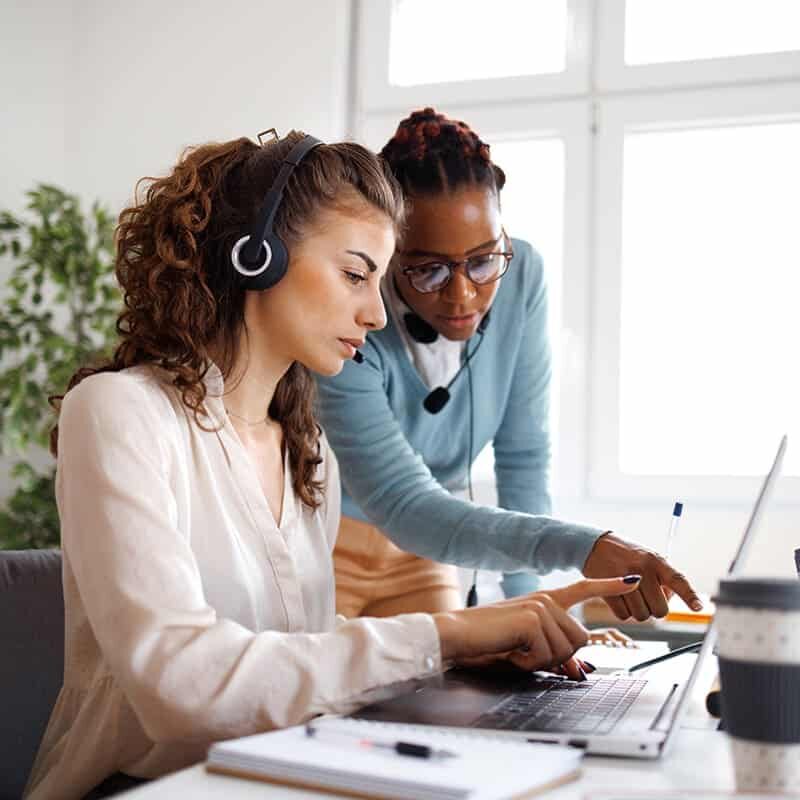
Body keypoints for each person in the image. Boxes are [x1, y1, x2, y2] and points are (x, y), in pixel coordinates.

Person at [24, 131, 643, 800]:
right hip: (138, 785)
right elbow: (184, 687)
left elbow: (293, 650)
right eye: (355, 274)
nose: (377, 314)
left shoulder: (306, 449)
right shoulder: (120, 413)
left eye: (380, 281)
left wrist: (463, 648)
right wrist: (445, 633)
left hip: (271, 778)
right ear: (257, 256)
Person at [317, 108, 703, 623]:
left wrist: (540, 604)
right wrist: (585, 547)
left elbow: (523, 455)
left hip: (426, 548)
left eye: (483, 261)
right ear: (390, 253)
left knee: (446, 693)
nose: (463, 295)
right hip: (332, 536)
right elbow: (401, 500)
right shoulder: (351, 306)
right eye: (428, 270)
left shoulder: (524, 278)